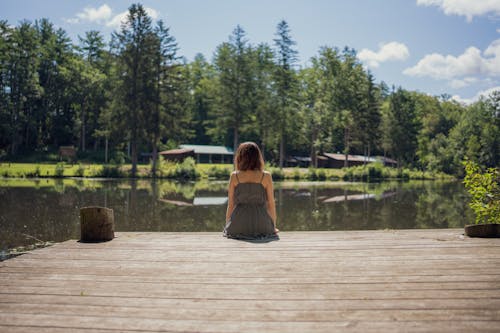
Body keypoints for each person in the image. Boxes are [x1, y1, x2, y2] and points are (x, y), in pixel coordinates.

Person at [223, 142, 279, 240]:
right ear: (258, 157)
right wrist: (273, 226)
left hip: (238, 224)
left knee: (232, 228)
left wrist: (228, 225)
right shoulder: (266, 176)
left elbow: (230, 204)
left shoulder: (234, 176)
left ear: (240, 157)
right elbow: (271, 204)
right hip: (262, 225)